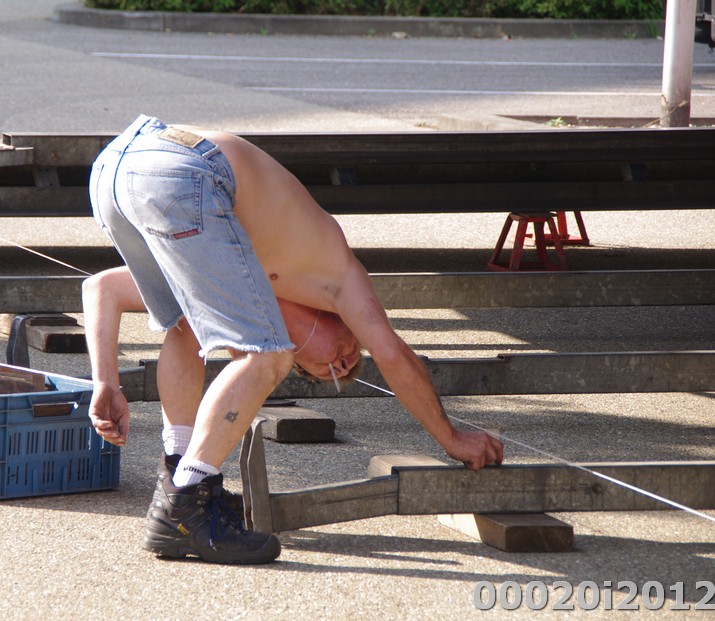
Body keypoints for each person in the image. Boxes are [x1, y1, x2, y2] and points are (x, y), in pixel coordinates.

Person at [83, 114, 504, 565]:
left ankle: (179, 479)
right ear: (344, 322)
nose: (340, 365)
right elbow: (391, 352)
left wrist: (106, 383)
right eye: (348, 354)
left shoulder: (243, 268)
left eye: (325, 371)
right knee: (267, 356)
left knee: (186, 326)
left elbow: (101, 288)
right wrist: (450, 437)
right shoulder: (336, 277)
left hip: (117, 171)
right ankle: (187, 502)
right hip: (179, 168)